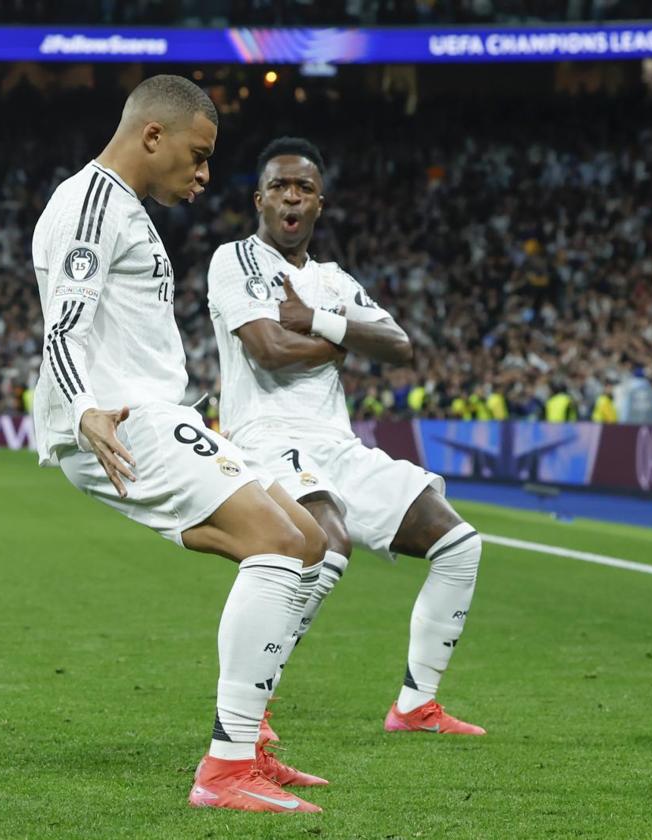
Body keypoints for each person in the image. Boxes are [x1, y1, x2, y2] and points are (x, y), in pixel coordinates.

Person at [30, 79, 328, 815]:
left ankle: (247, 736)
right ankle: (226, 767)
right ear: (152, 136)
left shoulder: (125, 209)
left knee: (311, 540)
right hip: (121, 418)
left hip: (160, 412)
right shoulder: (92, 202)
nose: (203, 175)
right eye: (197, 157)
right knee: (277, 544)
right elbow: (64, 324)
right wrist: (86, 409)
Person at [206, 137, 485, 747]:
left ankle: (416, 705)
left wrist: (319, 322)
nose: (291, 195)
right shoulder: (237, 262)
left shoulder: (333, 282)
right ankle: (256, 701)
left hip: (337, 441)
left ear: (319, 203)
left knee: (461, 544)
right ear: (260, 199)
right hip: (267, 434)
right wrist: (342, 343)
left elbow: (400, 345)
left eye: (303, 187)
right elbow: (268, 351)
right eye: (279, 185)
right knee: (325, 541)